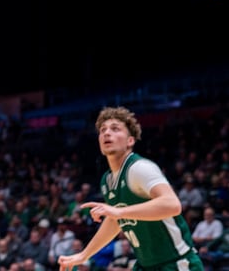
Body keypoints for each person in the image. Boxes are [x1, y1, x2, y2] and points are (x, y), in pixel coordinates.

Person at [58, 106, 204, 271]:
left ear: (130, 141)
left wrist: (119, 212)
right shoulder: (107, 180)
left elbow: (172, 205)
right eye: (103, 130)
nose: (107, 133)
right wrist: (84, 255)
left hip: (175, 263)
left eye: (115, 129)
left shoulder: (139, 168)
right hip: (145, 266)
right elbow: (115, 220)